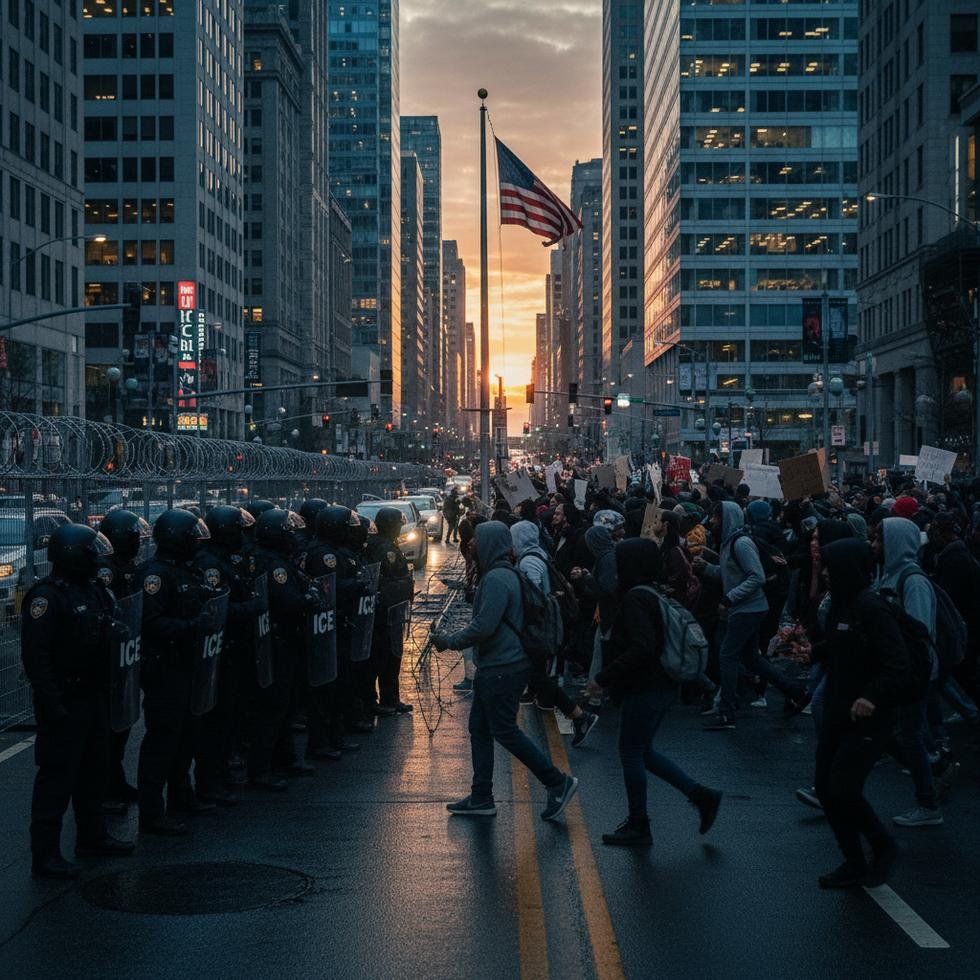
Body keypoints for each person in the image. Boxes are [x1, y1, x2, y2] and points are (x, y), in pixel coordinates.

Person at [431, 521, 579, 821]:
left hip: (502, 667)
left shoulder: (498, 578)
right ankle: (481, 795)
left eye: (477, 540)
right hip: (501, 666)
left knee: (505, 731)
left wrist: (449, 641)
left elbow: (484, 626)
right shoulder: (503, 573)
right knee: (481, 729)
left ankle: (556, 781)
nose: (473, 545)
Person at [586, 538, 722, 846]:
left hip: (646, 687)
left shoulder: (636, 597)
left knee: (632, 752)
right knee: (643, 751)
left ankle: (639, 823)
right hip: (660, 687)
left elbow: (642, 648)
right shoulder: (652, 591)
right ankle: (701, 795)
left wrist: (602, 678)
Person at [22, 524, 135, 879]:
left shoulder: (94, 589)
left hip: (93, 694)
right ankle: (46, 855)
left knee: (94, 770)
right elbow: (36, 658)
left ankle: (93, 837)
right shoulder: (47, 597)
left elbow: (110, 625)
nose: (97, 558)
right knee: (57, 778)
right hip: (65, 699)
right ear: (74, 555)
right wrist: (53, 704)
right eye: (91, 552)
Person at [814, 539, 906, 888]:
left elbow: (897, 663)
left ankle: (883, 846)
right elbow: (842, 648)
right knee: (825, 787)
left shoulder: (872, 606)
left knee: (844, 788)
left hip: (869, 717)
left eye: (829, 567)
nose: (823, 573)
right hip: (839, 711)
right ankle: (852, 859)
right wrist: (811, 651)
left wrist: (871, 696)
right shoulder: (842, 603)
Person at [138, 509, 221, 835]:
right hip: (165, 669)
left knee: (187, 735)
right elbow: (150, 623)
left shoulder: (184, 571)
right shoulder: (155, 577)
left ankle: (181, 795)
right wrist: (191, 626)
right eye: (190, 536)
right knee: (162, 740)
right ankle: (152, 812)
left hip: (188, 666)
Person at [696, 501, 808, 730]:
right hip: (747, 609)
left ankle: (727, 712)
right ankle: (797, 691)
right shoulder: (729, 544)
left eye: (716, 517)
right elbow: (728, 575)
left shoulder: (742, 543)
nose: (713, 522)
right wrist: (705, 568)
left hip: (748, 609)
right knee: (752, 659)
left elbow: (755, 577)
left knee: (727, 656)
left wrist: (730, 598)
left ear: (727, 518)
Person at [192, 505, 263, 805]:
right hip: (218, 653)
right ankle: (209, 782)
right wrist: (250, 608)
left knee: (228, 717)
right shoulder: (209, 565)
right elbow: (219, 608)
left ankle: (218, 776)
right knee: (214, 723)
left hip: (232, 651)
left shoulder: (224, 560)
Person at [875, 516, 943, 827]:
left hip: (912, 673)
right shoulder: (890, 575)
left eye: (881, 539)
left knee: (909, 735)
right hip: (898, 670)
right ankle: (933, 775)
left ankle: (928, 801)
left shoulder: (913, 580)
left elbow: (919, 632)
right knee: (900, 733)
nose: (875, 545)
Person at [249, 508, 322, 790]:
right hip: (277, 643)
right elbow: (286, 603)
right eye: (289, 532)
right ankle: (261, 769)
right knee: (272, 708)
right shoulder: (274, 566)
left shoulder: (277, 560)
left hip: (283, 643)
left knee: (285, 705)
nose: (294, 536)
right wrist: (308, 599)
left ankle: (285, 759)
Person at [511, 520, 598, 746]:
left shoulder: (529, 561)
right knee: (538, 675)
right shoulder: (537, 553)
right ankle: (565, 709)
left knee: (537, 675)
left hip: (538, 627)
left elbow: (534, 596)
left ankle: (580, 716)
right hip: (544, 625)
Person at [96, 508, 151, 810]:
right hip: (111, 660)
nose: (138, 543)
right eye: (133, 537)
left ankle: (115, 782)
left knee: (121, 727)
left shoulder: (129, 567)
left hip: (127, 655)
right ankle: (104, 790)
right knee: (107, 732)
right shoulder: (106, 570)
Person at [365, 507, 415, 715]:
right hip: (384, 613)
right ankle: (381, 700)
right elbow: (387, 580)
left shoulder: (382, 545)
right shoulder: (385, 549)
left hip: (390, 612)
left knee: (391, 656)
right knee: (383, 657)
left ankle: (390, 698)